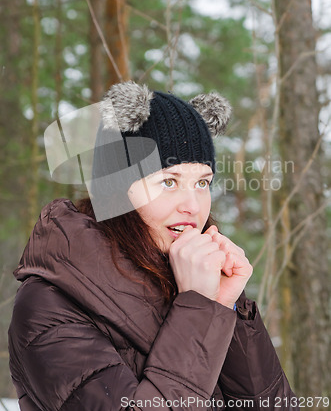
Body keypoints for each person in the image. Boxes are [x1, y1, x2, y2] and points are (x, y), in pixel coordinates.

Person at [8, 81, 298, 410]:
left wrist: (225, 307)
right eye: (169, 181)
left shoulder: (196, 281)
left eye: (202, 182)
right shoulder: (49, 308)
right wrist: (200, 309)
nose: (193, 205)